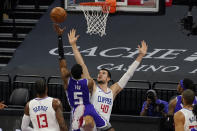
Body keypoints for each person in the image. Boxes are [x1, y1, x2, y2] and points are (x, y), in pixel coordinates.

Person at [66, 28, 147, 123]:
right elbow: (82, 65)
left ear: (108, 78)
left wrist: (140, 56)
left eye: (103, 73)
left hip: (104, 127)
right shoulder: (93, 87)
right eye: (99, 72)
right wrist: (74, 46)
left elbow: (128, 74)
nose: (100, 74)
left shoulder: (112, 91)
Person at [54, 24, 114, 131]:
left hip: (77, 111)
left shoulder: (67, 81)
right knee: (109, 129)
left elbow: (62, 61)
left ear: (71, 73)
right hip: (89, 108)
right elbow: (83, 66)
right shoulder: (89, 82)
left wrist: (59, 37)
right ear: (82, 74)